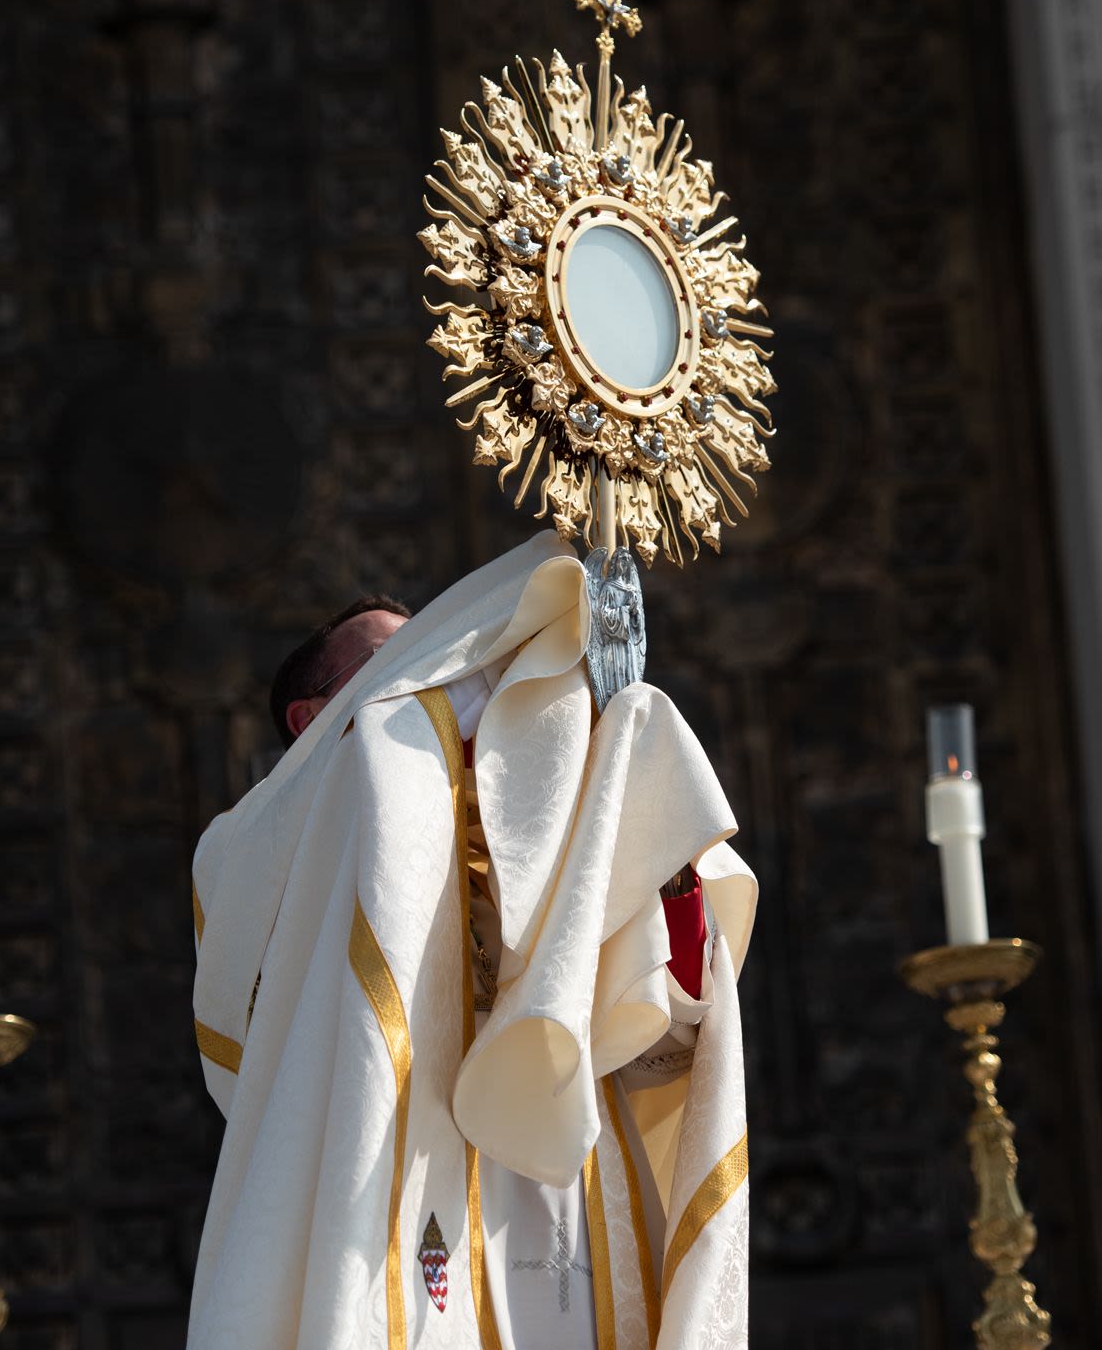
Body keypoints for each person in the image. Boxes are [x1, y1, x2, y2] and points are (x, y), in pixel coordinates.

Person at [189, 533, 755, 1348]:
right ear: (310, 717)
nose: (440, 681)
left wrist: (643, 822)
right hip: (390, 1144)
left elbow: (662, 1003)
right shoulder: (258, 838)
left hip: (555, 1154)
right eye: (400, 665)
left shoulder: (535, 810)